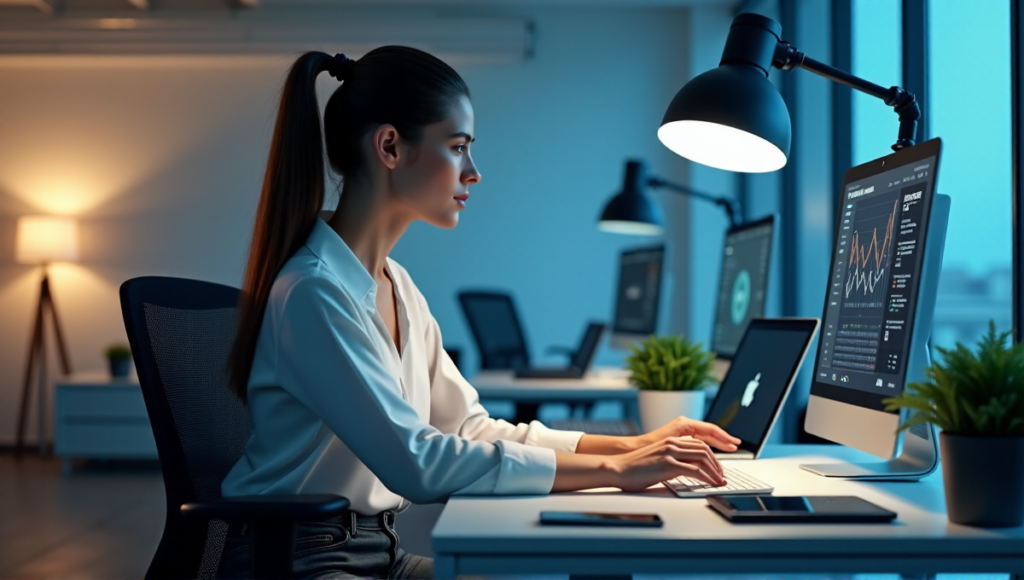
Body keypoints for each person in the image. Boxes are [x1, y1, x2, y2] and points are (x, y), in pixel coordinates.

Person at [221, 46, 741, 580]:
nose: (473, 173)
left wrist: (634, 445)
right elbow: (418, 464)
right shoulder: (314, 293)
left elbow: (469, 427)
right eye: (458, 147)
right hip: (299, 563)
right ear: (391, 146)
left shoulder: (397, 287)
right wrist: (613, 469)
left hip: (377, 556)